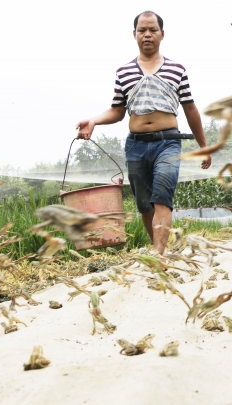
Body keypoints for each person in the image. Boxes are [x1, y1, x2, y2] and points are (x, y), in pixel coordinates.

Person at [76, 10, 210, 255]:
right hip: (136, 145)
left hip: (168, 143)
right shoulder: (123, 72)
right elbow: (117, 111)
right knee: (144, 203)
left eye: (152, 30)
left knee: (162, 196)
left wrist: (203, 146)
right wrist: (93, 120)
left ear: (162, 34)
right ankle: (157, 247)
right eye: (142, 30)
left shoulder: (177, 69)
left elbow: (190, 109)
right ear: (134, 34)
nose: (147, 34)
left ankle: (159, 256)